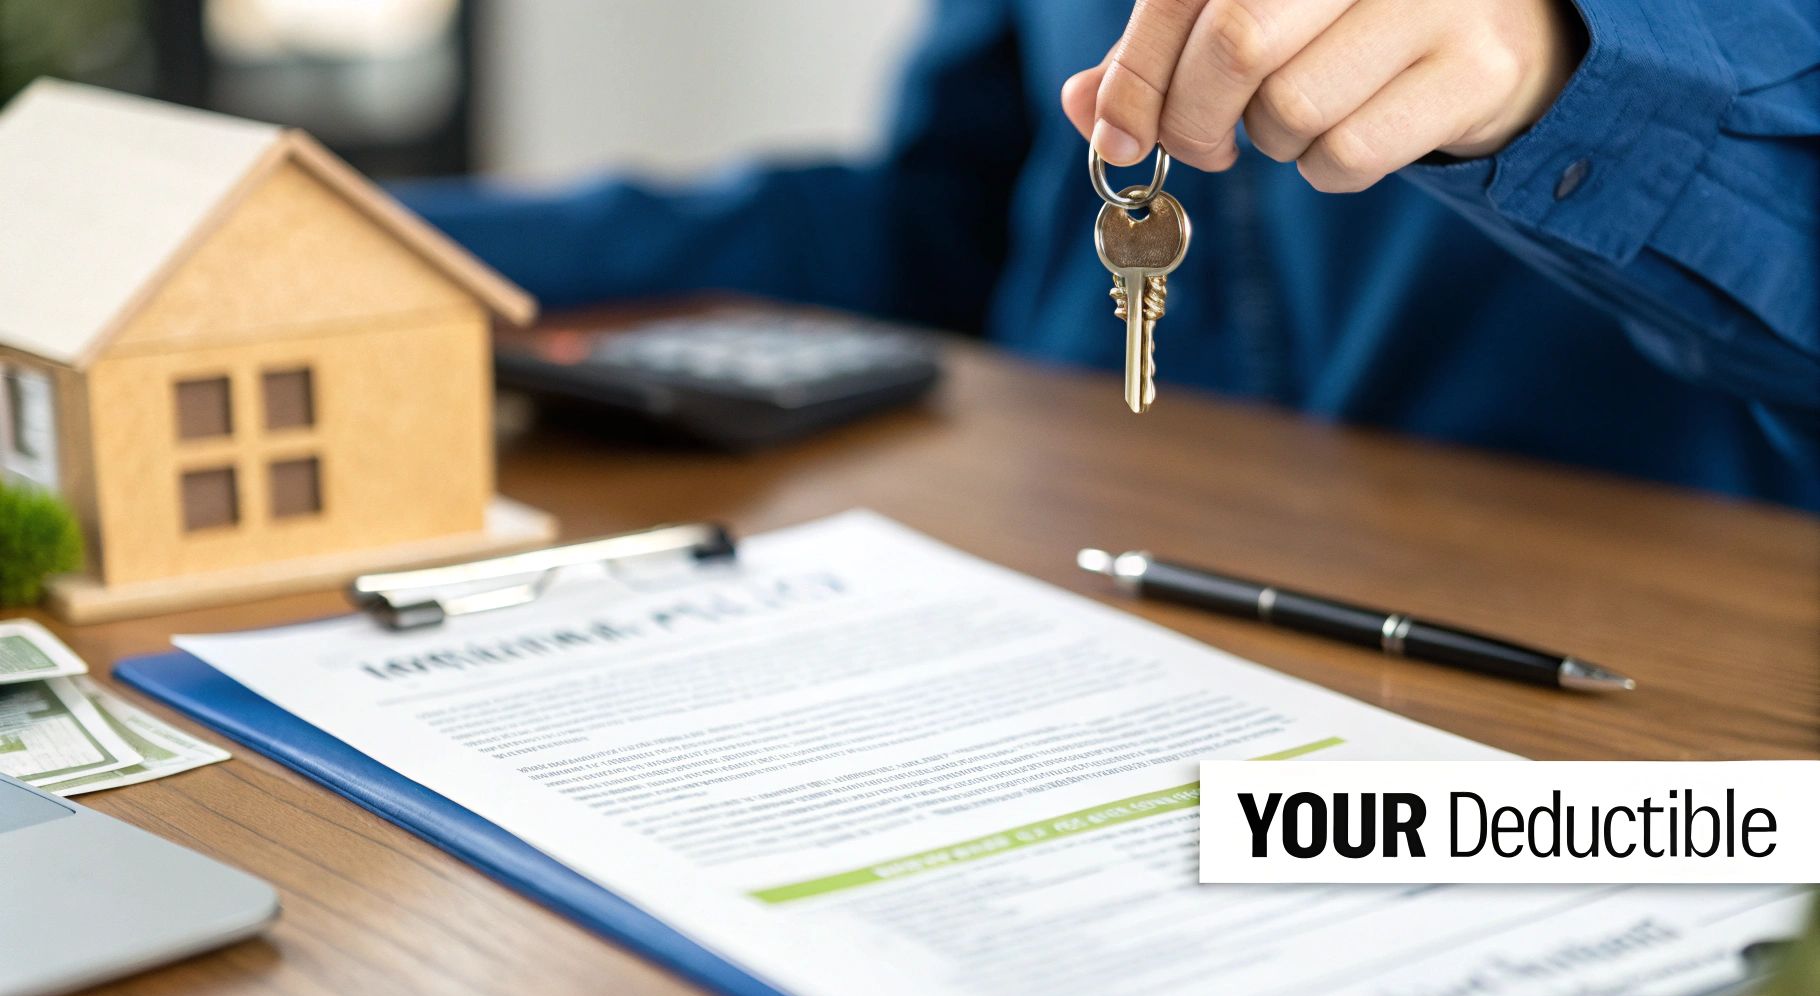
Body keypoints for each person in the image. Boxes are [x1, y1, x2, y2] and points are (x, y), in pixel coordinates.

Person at [394, 1, 1820, 510]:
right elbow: (939, 225)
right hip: (1055, 610)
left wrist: (1570, 72)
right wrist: (376, 237)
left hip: (1581, 742)